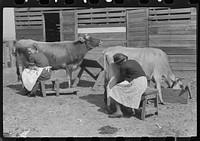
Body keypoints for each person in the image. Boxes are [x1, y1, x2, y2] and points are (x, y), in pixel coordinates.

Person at [107, 53, 147, 118]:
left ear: (118, 63)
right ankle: (135, 109)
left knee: (115, 89)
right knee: (126, 90)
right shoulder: (133, 61)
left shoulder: (123, 66)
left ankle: (118, 111)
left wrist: (117, 83)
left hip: (137, 82)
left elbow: (122, 79)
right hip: (144, 81)